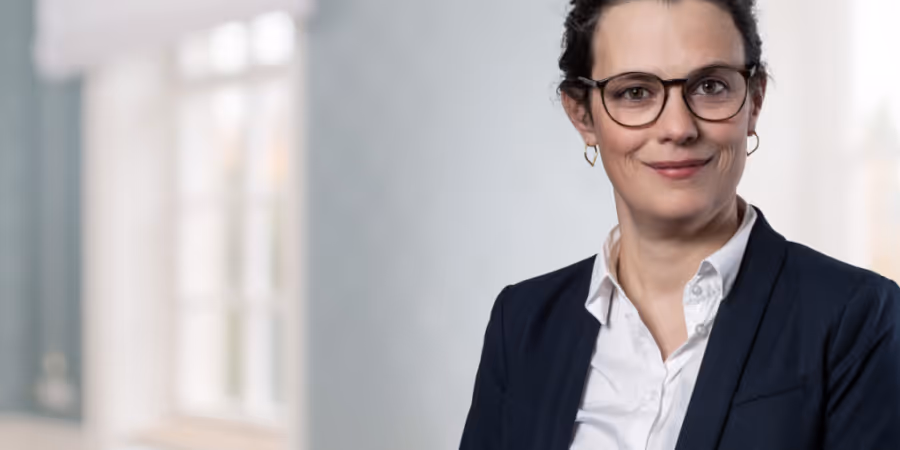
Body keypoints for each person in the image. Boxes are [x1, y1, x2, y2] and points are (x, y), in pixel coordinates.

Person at [459, 0, 900, 449]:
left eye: (710, 86)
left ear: (754, 101)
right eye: (635, 92)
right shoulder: (522, 324)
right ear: (582, 115)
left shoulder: (857, 318)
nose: (678, 127)